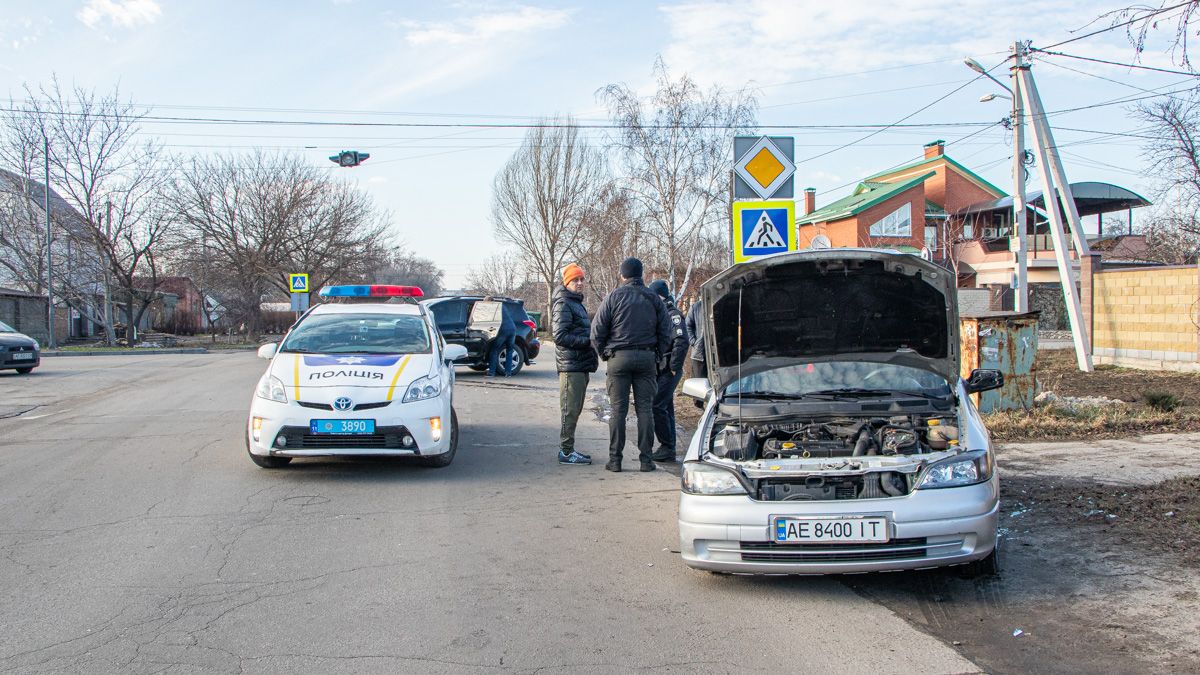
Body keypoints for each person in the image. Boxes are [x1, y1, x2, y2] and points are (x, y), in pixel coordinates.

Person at [590, 257, 671, 473]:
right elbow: (666, 332)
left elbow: (596, 331)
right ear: (641, 274)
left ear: (622, 275)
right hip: (646, 358)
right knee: (645, 409)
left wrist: (605, 354)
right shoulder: (653, 298)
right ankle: (646, 460)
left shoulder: (613, 297)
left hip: (619, 357)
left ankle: (615, 460)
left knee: (618, 410)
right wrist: (657, 355)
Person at [552, 263, 597, 466]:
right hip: (571, 366)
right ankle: (566, 452)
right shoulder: (563, 303)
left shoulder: (575, 303)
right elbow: (559, 335)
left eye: (581, 279)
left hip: (580, 365)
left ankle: (569, 449)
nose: (579, 283)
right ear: (566, 282)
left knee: (575, 409)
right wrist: (587, 342)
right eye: (575, 280)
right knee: (569, 410)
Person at [648, 279, 688, 463]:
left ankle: (666, 446)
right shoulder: (661, 314)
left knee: (657, 406)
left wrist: (673, 367)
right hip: (662, 369)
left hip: (668, 370)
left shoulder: (673, 315)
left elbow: (681, 342)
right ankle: (669, 446)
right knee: (666, 407)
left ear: (660, 296)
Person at [486, 299, 517, 377]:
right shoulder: (502, 305)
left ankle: (491, 373)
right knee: (509, 351)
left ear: (489, 302)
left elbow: (490, 320)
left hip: (503, 330)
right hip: (512, 329)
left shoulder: (493, 307)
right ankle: (508, 373)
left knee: (494, 350)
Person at [685, 297, 706, 380]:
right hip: (700, 353)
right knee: (699, 383)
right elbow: (687, 325)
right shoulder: (696, 307)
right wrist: (694, 341)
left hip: (719, 353)